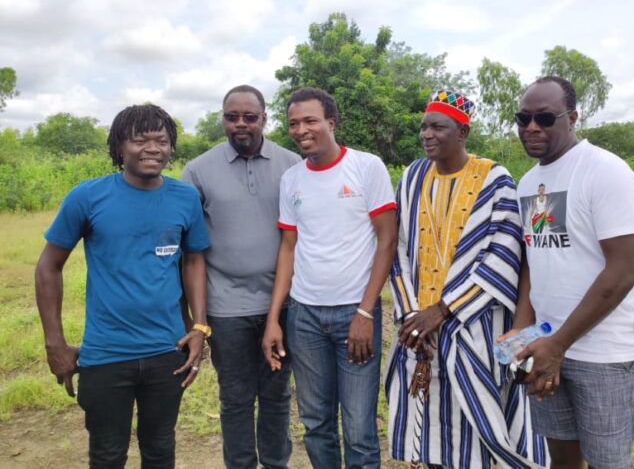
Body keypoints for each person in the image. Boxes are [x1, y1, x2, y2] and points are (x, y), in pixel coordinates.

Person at [35, 104, 210, 468]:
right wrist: (54, 343)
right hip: (106, 354)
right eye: (140, 140)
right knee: (107, 454)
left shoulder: (185, 198)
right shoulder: (87, 197)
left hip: (168, 352)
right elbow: (49, 267)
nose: (152, 148)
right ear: (119, 146)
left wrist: (199, 326)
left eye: (161, 140)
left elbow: (193, 261)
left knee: (160, 449)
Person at [385, 91, 547, 469]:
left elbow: (503, 253)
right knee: (429, 425)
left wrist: (443, 310)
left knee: (475, 421)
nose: (426, 134)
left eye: (437, 127)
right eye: (424, 127)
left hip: (473, 324)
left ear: (462, 132)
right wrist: (412, 316)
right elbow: (398, 249)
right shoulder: (411, 178)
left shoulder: (494, 179)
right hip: (419, 326)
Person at [507, 76, 634, 469]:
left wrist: (559, 345)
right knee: (562, 458)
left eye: (545, 118)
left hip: (606, 353)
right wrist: (523, 331)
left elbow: (625, 269)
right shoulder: (528, 183)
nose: (531, 127)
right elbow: (534, 257)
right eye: (523, 118)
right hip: (546, 346)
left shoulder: (605, 171)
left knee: (608, 462)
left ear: (572, 118)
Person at [261, 87, 397, 469]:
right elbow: (288, 248)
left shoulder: (366, 167)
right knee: (316, 423)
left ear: (332, 123)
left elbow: (387, 240)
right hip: (304, 317)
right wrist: (274, 319)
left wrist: (365, 312)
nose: (301, 130)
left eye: (310, 120)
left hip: (355, 313)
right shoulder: (291, 179)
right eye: (293, 123)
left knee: (358, 428)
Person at [182, 85, 301, 469]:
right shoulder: (198, 170)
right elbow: (190, 250)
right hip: (225, 306)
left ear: (264, 119)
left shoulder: (292, 165)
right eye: (232, 117)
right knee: (235, 397)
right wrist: (197, 319)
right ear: (223, 119)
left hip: (281, 304)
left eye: (250, 117)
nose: (240, 124)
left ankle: (276, 463)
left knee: (277, 393)